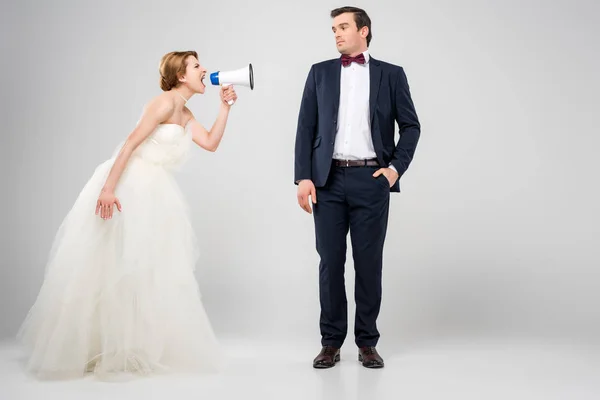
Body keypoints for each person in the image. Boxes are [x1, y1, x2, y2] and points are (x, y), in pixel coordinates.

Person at [17, 51, 237, 380]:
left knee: (144, 267)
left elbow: (210, 142)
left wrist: (225, 108)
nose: (204, 69)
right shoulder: (163, 103)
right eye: (196, 66)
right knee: (111, 264)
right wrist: (108, 189)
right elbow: (130, 144)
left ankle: (130, 346)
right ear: (180, 75)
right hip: (130, 185)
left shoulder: (185, 111)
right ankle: (93, 347)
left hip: (156, 191)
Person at [294, 7, 421, 369]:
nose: (336, 33)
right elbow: (306, 128)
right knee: (330, 264)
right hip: (327, 181)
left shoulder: (391, 75)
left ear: (364, 31)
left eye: (344, 27)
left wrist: (395, 169)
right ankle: (331, 342)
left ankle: (367, 342)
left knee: (368, 265)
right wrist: (303, 176)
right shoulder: (319, 73)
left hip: (371, 181)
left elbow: (411, 126)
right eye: (334, 28)